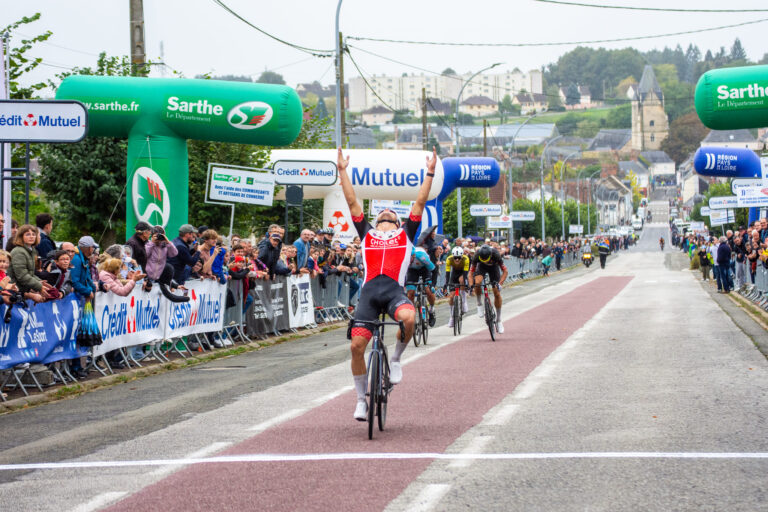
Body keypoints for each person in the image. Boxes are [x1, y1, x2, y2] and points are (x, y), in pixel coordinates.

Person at [339, 147, 435, 421]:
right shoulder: (366, 234)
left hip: (394, 292)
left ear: (398, 223)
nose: (384, 217)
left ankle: (394, 359)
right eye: (381, 216)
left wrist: (429, 173)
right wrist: (342, 171)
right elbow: (352, 202)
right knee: (356, 347)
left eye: (390, 217)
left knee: (409, 318)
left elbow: (420, 201)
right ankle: (360, 400)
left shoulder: (406, 235)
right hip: (369, 294)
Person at [468, 244, 508, 334]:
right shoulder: (477, 255)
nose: (487, 261)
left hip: (494, 268)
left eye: (487, 259)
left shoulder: (496, 254)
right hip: (481, 267)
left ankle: (498, 320)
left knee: (496, 293)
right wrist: (471, 285)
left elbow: (505, 271)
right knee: (477, 282)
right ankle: (479, 303)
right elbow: (470, 273)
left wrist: (500, 284)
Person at [8, 224, 50, 302]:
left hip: (22, 290)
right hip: (14, 291)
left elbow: (30, 273)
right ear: (21, 236)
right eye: (28, 234)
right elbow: (22, 275)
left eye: (33, 234)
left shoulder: (31, 250)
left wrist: (39, 281)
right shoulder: (19, 251)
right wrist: (39, 286)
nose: (31, 237)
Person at [405, 242, 436, 326]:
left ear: (413, 255)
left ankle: (432, 309)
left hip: (424, 269)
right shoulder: (403, 258)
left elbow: (434, 270)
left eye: (410, 258)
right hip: (412, 271)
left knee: (428, 290)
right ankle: (412, 314)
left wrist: (433, 284)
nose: (409, 260)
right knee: (410, 293)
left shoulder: (421, 256)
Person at [445, 246, 470, 328]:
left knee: (462, 280)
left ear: (462, 256)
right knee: (451, 297)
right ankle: (452, 316)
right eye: (455, 258)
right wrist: (446, 284)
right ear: (452, 256)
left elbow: (466, 274)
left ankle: (464, 301)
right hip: (454, 275)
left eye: (459, 258)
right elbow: (447, 273)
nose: (457, 260)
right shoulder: (449, 259)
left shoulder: (466, 259)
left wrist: (466, 284)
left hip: (463, 273)